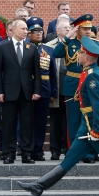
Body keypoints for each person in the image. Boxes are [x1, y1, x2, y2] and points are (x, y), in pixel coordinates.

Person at [17, 36, 99, 196]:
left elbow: (97, 105)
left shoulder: (93, 74)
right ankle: (39, 186)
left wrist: (97, 129)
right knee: (70, 158)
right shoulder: (91, 71)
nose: (78, 55)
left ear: (86, 56)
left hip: (98, 128)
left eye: (80, 52)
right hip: (87, 126)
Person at [56, 14, 99, 163]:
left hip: (90, 85)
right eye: (84, 29)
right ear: (77, 29)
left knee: (90, 120)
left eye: (90, 28)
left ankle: (89, 153)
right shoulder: (69, 43)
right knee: (74, 121)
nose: (88, 31)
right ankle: (74, 153)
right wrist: (67, 37)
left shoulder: (96, 44)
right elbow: (56, 53)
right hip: (73, 85)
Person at [0, 19, 41, 164]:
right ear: (13, 30)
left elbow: (37, 72)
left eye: (26, 28)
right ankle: (9, 153)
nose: (26, 31)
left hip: (27, 91)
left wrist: (37, 90)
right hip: (9, 92)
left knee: (27, 124)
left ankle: (26, 153)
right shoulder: (2, 47)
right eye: (22, 28)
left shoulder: (31, 47)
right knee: (9, 124)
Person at [26, 17, 58, 161]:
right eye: (35, 31)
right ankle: (26, 149)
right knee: (26, 122)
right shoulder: (24, 48)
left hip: (44, 89)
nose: (39, 34)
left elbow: (52, 72)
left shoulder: (48, 50)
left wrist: (53, 91)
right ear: (28, 34)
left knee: (40, 122)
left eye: (40, 31)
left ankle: (37, 150)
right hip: (27, 89)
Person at [45, 19, 71, 160]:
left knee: (69, 120)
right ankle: (55, 150)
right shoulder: (48, 46)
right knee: (55, 121)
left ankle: (68, 148)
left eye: (69, 27)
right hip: (55, 89)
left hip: (71, 89)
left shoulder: (74, 45)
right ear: (58, 31)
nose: (68, 30)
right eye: (65, 27)